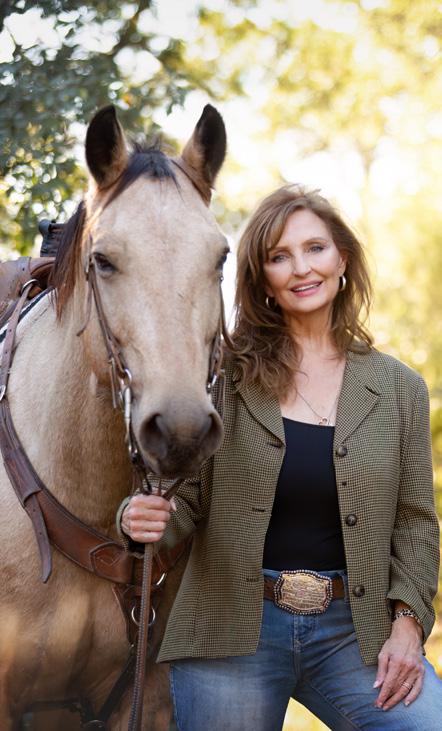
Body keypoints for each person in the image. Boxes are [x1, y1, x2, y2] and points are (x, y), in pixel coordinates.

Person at [120, 185, 442, 730]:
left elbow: (415, 522)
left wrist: (407, 626)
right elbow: (184, 500)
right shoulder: (222, 377)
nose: (301, 268)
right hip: (229, 630)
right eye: (279, 256)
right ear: (261, 278)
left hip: (354, 633)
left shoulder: (399, 389)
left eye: (315, 248)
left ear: (342, 259)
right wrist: (143, 519)